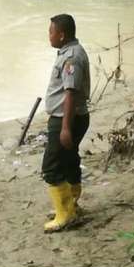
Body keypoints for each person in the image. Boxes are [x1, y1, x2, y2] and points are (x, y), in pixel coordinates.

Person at [42, 13, 91, 233]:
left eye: (51, 31)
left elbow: (70, 94)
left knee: (51, 168)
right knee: (70, 160)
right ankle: (71, 206)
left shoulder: (71, 57)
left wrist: (64, 128)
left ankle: (65, 214)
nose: (48, 35)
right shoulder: (69, 51)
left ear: (62, 35)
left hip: (67, 118)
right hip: (70, 117)